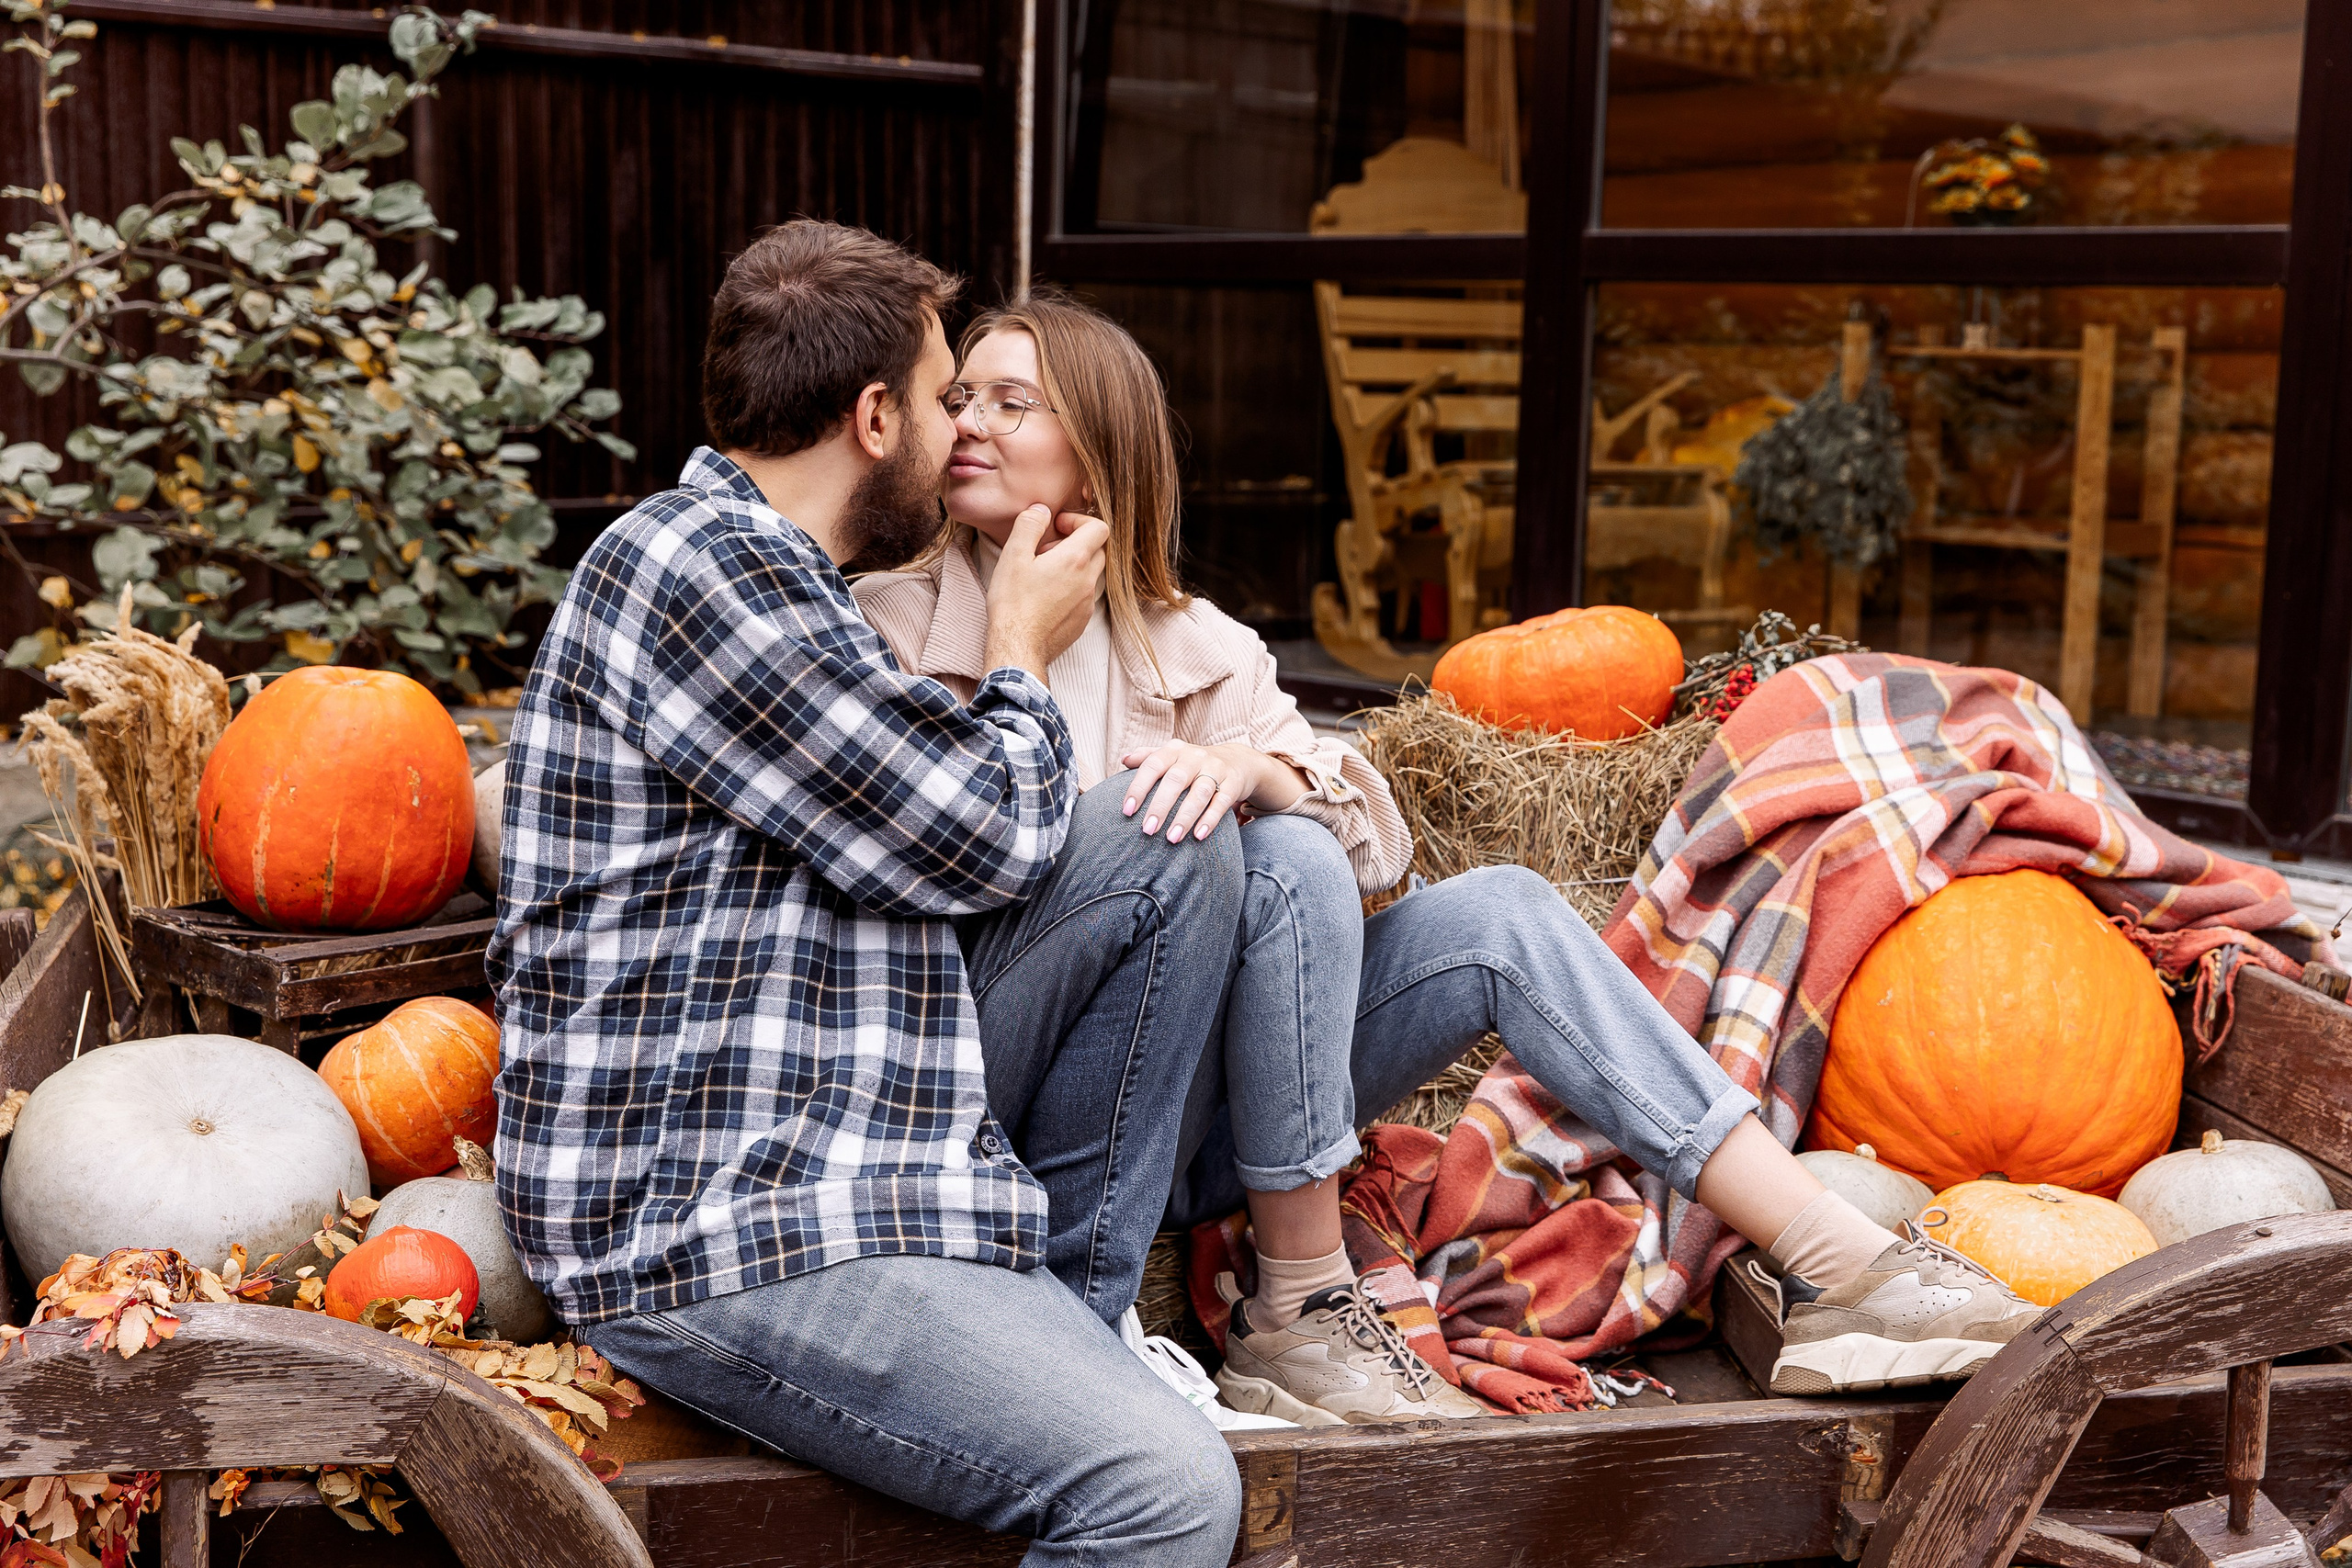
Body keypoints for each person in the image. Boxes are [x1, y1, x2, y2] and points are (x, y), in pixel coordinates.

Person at [854, 288, 2041, 1419]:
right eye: (958, 398)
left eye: (1013, 402)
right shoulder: (891, 625)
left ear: (1100, 434)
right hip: (1036, 1094)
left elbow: (1381, 851)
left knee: (1493, 908)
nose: (968, 424)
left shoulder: (1198, 646)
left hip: (1226, 1108)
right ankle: (1303, 1299)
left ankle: (1836, 1261)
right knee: (1282, 858)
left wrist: (1255, 773)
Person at [486, 222, 1250, 1565]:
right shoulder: (696, 570)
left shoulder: (790, 586)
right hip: (709, 1224)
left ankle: (1077, 1327)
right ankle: (1090, 1389)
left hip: (831, 1158)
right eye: (951, 394)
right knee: (1167, 1493)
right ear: (877, 413)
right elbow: (987, 839)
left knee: (1162, 839)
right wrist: (1021, 645)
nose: (963, 426)